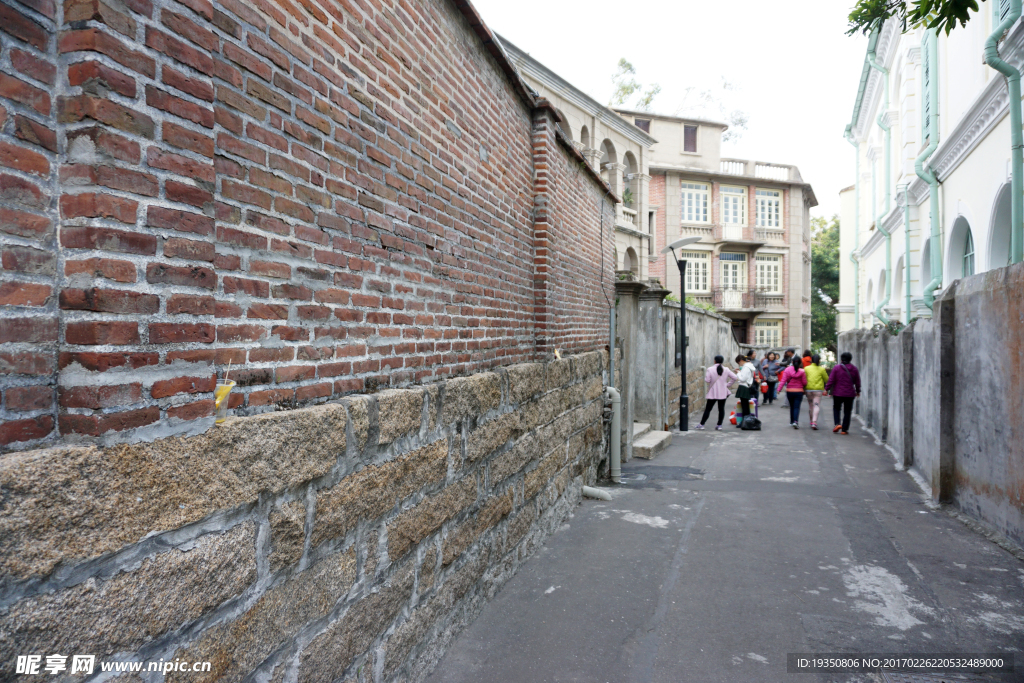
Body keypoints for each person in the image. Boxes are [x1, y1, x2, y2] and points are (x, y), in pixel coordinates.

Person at [696, 355, 738, 430]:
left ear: (714, 361)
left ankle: (701, 424)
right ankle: (719, 425)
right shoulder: (726, 369)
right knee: (721, 409)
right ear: (722, 361)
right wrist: (727, 385)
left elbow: (707, 380)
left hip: (713, 392)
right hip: (723, 392)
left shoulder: (710, 369)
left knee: (708, 409)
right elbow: (735, 377)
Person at [826, 351, 862, 435]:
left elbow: (831, 380)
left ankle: (837, 424)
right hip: (850, 393)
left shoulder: (836, 368)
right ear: (850, 359)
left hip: (838, 393)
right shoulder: (854, 368)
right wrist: (858, 391)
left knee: (836, 408)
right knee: (847, 411)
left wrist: (826, 389)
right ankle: (844, 430)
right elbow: (857, 381)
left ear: (841, 359)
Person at [778, 356, 808, 428]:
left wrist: (779, 389)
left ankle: (792, 422)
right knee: (796, 407)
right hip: (799, 391)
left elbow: (783, 380)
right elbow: (804, 383)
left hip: (789, 391)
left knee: (792, 406)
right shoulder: (802, 371)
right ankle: (795, 421)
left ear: (792, 362)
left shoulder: (787, 369)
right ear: (800, 363)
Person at [804, 354, 829, 430]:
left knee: (811, 406)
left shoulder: (806, 368)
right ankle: (814, 422)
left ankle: (811, 421)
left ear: (811, 360)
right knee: (816, 405)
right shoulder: (821, 369)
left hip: (808, 389)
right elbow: (827, 380)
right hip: (818, 390)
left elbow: (803, 379)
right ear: (819, 361)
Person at [734, 354, 756, 426]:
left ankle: (745, 422)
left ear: (741, 361)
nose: (739, 364)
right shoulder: (748, 366)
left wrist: (738, 373)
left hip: (744, 386)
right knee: (745, 405)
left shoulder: (746, 367)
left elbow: (742, 379)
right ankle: (745, 421)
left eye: (738, 362)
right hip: (746, 386)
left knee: (744, 406)